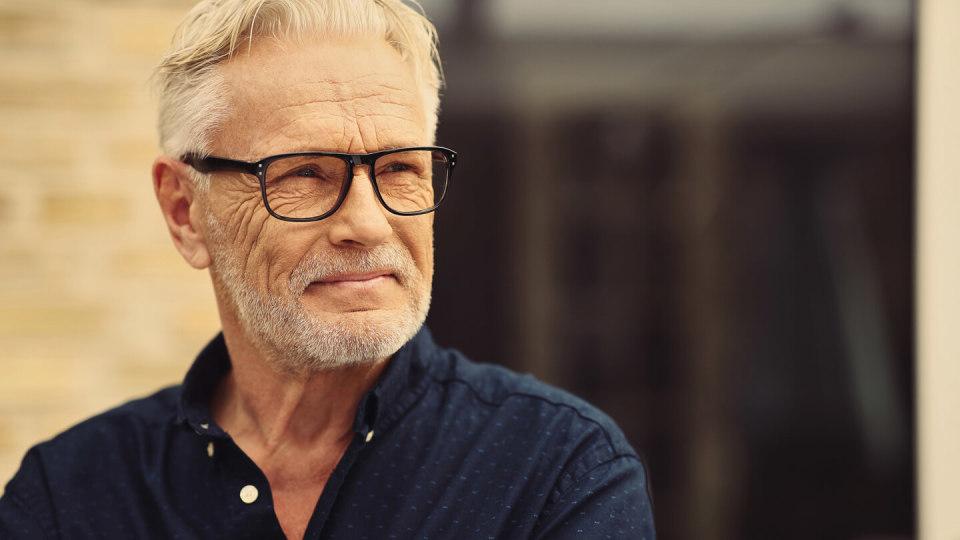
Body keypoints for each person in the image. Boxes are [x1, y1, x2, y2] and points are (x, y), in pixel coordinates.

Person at [0, 0, 655, 538]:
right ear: (183, 211)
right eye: (304, 174)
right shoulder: (71, 498)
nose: (368, 224)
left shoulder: (558, 475)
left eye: (400, 168)